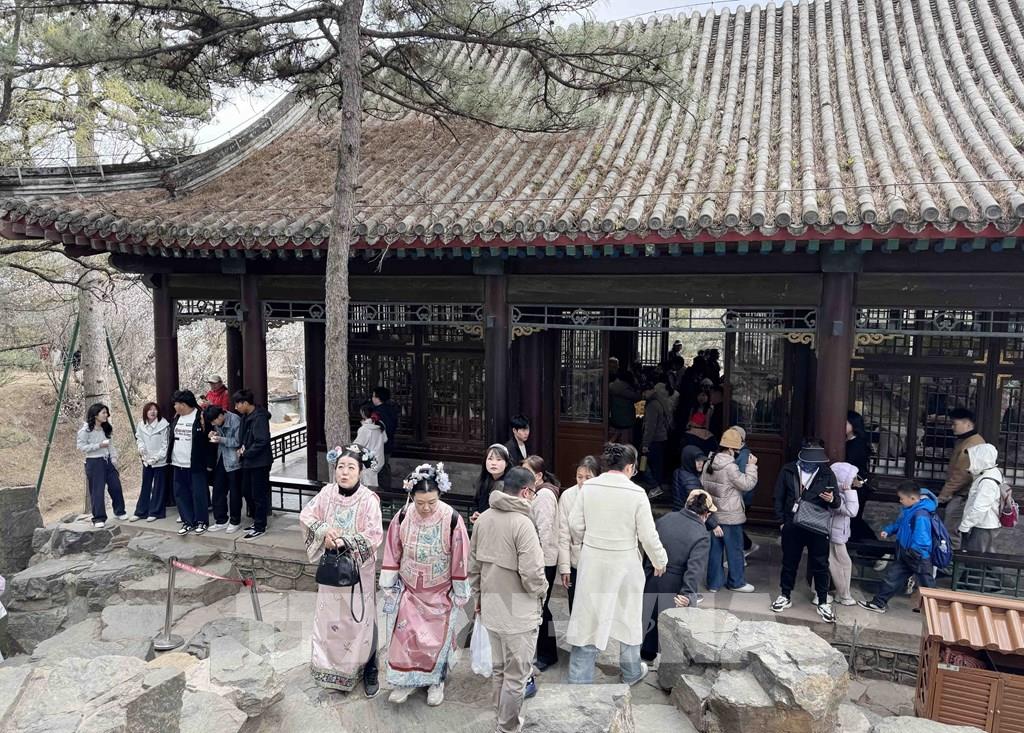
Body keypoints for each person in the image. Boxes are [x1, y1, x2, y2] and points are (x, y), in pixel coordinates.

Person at [566, 443, 668, 685]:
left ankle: (578, 680)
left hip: (593, 561)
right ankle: (631, 672)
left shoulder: (589, 487)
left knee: (587, 620)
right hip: (624, 563)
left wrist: (591, 540)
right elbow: (648, 535)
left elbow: (574, 525)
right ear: (630, 467)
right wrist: (659, 559)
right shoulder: (637, 493)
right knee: (628, 618)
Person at [380, 463, 470, 706]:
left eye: (431, 502)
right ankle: (405, 681)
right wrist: (389, 584)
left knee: (434, 642)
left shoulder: (452, 519)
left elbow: (460, 557)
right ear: (411, 496)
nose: (426, 508)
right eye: (420, 503)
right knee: (406, 638)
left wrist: (459, 590)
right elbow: (392, 550)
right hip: (409, 589)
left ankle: (435, 682)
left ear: (440, 495)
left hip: (439, 591)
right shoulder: (403, 516)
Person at [468, 466, 548, 733]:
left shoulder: (484, 519)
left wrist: (478, 599)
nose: (533, 497)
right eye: (533, 492)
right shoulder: (523, 524)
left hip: (491, 608)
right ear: (525, 491)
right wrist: (542, 590)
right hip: (518, 613)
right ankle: (507, 727)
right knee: (517, 676)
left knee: (500, 670)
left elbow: (473, 567)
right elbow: (533, 574)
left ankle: (500, 718)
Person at [300, 444, 383, 695]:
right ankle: (329, 666)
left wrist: (345, 542)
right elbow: (306, 515)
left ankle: (369, 668)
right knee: (330, 619)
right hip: (332, 568)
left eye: (351, 468)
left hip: (358, 571)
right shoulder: (326, 493)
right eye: (340, 467)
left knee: (360, 619)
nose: (344, 472)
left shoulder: (369, 500)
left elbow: (374, 534)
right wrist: (324, 532)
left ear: (360, 472)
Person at [641, 490, 715, 664]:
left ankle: (644, 658)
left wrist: (646, 572)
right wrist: (688, 595)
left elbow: (649, 546)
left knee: (648, 622)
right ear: (706, 514)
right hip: (674, 585)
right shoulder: (702, 534)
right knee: (670, 631)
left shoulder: (665, 519)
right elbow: (694, 570)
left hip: (652, 575)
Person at [771, 439, 840, 623]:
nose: (814, 464)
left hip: (817, 525)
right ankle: (785, 595)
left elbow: (837, 503)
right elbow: (778, 496)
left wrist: (831, 498)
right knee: (789, 561)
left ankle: (823, 601)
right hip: (792, 522)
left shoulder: (826, 473)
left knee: (821, 563)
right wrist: (781, 521)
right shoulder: (788, 470)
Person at [859, 481, 939, 613]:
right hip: (908, 553)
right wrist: (888, 530)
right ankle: (879, 603)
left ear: (912, 498)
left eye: (902, 498)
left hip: (917, 555)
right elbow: (900, 524)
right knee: (893, 578)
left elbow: (922, 538)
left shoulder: (921, 514)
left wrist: (914, 551)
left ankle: (935, 612)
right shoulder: (911, 510)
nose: (900, 501)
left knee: (926, 585)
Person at [700, 428, 758, 593]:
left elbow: (702, 485)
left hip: (713, 514)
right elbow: (747, 484)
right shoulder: (730, 467)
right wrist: (751, 467)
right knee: (735, 550)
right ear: (732, 449)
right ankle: (736, 582)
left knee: (715, 550)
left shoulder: (709, 462)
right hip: (731, 515)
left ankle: (713, 584)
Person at [523, 455, 561, 671]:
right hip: (538, 557)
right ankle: (545, 651)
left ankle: (548, 653)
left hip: (543, 559)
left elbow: (544, 532)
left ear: (538, 476)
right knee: (539, 606)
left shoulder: (544, 495)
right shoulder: (535, 492)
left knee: (541, 607)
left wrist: (535, 558)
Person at [957, 443, 1004, 592]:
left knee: (975, 556)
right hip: (987, 523)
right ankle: (997, 583)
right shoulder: (992, 474)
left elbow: (979, 508)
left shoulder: (987, 481)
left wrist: (965, 525)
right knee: (986, 555)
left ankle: (974, 585)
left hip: (983, 524)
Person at [937, 408, 986, 542]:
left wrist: (942, 496)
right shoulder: (966, 440)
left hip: (963, 494)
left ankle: (952, 555)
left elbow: (962, 475)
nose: (952, 427)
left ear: (967, 424)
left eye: (955, 424)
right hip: (962, 493)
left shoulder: (972, 444)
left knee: (951, 531)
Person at [557, 456, 599, 612]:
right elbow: (563, 534)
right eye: (579, 477)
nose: (583, 481)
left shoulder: (603, 497)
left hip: (597, 560)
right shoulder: (568, 496)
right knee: (575, 605)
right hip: (576, 559)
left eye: (588, 477)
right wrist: (565, 568)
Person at [166, 390, 210, 535]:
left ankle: (201, 521)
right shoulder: (176, 417)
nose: (174, 406)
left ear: (184, 404)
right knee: (181, 493)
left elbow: (208, 440)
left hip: (195, 463)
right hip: (177, 462)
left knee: (198, 494)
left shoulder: (200, 416)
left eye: (176, 404)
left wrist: (209, 462)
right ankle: (188, 521)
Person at [77, 403, 128, 528]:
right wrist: (98, 445)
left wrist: (114, 458)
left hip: (108, 461)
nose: (106, 415)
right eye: (103, 413)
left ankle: (120, 511)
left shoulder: (106, 428)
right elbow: (81, 447)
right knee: (97, 491)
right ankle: (98, 518)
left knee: (116, 486)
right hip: (94, 462)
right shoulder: (85, 430)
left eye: (107, 413)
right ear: (95, 415)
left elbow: (111, 445)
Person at [234, 389, 272, 540]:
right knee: (246, 491)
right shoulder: (246, 416)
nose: (236, 407)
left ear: (245, 403)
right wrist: (242, 449)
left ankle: (260, 526)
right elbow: (244, 438)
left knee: (258, 494)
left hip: (259, 462)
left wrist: (246, 452)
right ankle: (257, 521)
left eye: (238, 404)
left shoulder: (259, 418)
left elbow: (262, 441)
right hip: (248, 461)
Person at [826, 462, 861, 606]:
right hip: (834, 534)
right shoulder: (838, 494)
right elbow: (852, 511)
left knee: (827, 562)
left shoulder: (836, 492)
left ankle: (823, 593)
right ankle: (844, 595)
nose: (854, 480)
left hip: (835, 533)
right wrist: (849, 492)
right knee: (842, 564)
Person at [204, 405, 243, 533]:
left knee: (235, 493)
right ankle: (221, 520)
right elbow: (219, 435)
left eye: (214, 421)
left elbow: (238, 441)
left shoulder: (235, 420)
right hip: (221, 458)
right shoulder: (217, 421)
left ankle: (235, 521)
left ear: (221, 415)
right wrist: (214, 434)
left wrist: (220, 439)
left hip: (234, 461)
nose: (213, 424)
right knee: (218, 490)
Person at [132, 401, 169, 522]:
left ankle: (156, 512)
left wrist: (157, 458)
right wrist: (141, 449)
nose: (153, 412)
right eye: (150, 409)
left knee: (158, 487)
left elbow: (165, 445)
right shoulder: (141, 425)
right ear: (145, 412)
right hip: (146, 460)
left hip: (160, 461)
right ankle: (141, 512)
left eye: (155, 409)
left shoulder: (164, 425)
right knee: (145, 486)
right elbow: (139, 439)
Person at [641, 375, 676, 493]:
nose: (643, 395)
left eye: (644, 392)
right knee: (657, 465)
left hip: (653, 440)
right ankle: (657, 486)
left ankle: (654, 486)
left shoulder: (652, 405)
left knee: (643, 464)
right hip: (661, 438)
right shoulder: (660, 402)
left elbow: (650, 427)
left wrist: (645, 444)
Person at [845, 411, 876, 541]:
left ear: (854, 425)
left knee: (854, 517)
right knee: (851, 518)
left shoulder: (858, 443)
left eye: (845, 423)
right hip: (850, 484)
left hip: (857, 485)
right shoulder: (848, 441)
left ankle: (872, 545)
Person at [471, 443, 511, 522]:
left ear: (506, 463)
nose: (493, 463)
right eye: (490, 459)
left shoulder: (509, 485)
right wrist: (475, 513)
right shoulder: (483, 481)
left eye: (498, 459)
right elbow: (476, 502)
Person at [354, 402, 387, 489]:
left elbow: (358, 445)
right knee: (372, 480)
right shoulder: (380, 425)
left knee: (367, 483)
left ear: (363, 413)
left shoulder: (364, 429)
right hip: (379, 458)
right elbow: (385, 439)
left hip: (368, 460)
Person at [372, 386, 399, 490]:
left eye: (373, 396)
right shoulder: (391, 410)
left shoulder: (377, 412)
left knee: (379, 467)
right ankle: (386, 490)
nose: (372, 399)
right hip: (389, 442)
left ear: (378, 398)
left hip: (379, 443)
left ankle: (383, 491)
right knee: (384, 465)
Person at [608, 370, 642, 444]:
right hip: (627, 421)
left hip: (614, 419)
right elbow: (639, 397)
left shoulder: (611, 387)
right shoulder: (627, 390)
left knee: (614, 442)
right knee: (626, 444)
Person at [672, 445, 707, 511]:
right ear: (689, 460)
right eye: (697, 460)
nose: (701, 463)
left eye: (702, 460)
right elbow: (697, 505)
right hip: (687, 513)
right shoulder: (691, 480)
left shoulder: (678, 472)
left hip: (678, 511)